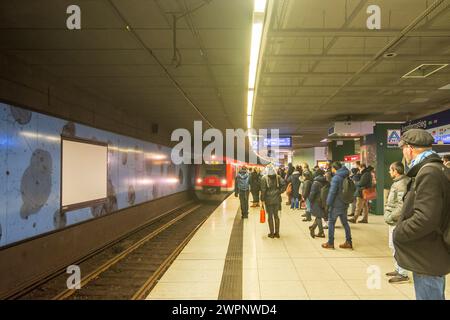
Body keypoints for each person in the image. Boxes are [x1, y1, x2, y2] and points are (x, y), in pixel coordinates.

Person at [394, 129, 450, 300]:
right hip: (432, 251)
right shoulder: (437, 169)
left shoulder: (428, 172)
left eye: (403, 148)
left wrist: (399, 231)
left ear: (409, 149)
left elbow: (426, 218)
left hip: (428, 254)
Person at [384, 161, 410, 283]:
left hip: (396, 221)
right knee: (393, 245)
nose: (389, 172)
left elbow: (401, 205)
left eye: (390, 170)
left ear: (396, 171)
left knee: (397, 246)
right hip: (394, 220)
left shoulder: (401, 184)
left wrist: (390, 216)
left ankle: (403, 273)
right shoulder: (398, 183)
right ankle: (399, 269)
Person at [322, 162, 353, 250]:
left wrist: (328, 203)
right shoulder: (346, 175)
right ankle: (349, 242)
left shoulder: (336, 178)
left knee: (331, 223)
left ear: (334, 168)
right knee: (345, 223)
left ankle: (330, 243)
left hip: (336, 204)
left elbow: (332, 192)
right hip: (344, 203)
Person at [261, 165, 286, 238]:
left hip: (268, 200)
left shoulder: (264, 178)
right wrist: (279, 192)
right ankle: (277, 233)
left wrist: (262, 199)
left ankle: (271, 233)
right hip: (277, 199)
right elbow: (284, 185)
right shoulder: (278, 177)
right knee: (276, 216)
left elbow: (263, 190)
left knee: (270, 216)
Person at [308, 169, 328, 238]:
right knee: (319, 215)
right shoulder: (325, 181)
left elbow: (312, 193)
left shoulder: (315, 182)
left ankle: (320, 232)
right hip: (323, 200)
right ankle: (313, 228)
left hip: (316, 201)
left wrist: (310, 200)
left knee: (318, 215)